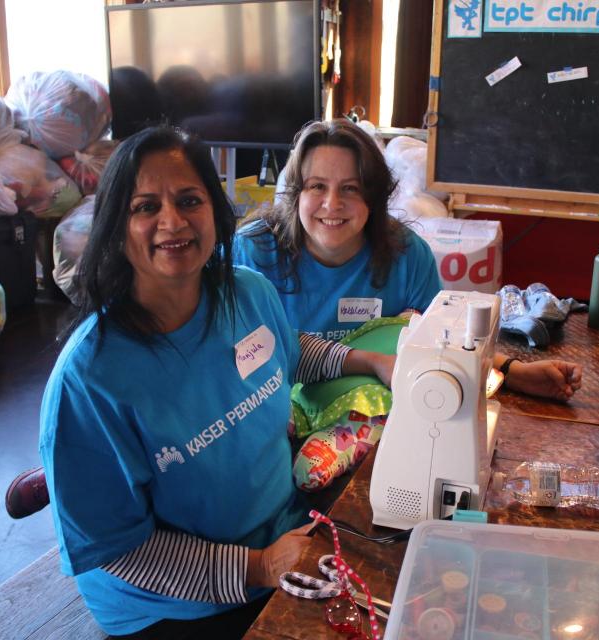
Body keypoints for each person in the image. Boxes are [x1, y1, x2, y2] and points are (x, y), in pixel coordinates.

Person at [33, 125, 393, 638]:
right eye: (144, 207)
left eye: (188, 200)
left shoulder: (247, 293)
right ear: (115, 226)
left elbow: (289, 353)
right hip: (170, 606)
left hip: (285, 538)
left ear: (214, 211)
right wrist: (260, 567)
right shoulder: (89, 380)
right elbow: (120, 549)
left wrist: (370, 362)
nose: (172, 221)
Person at [232, 118, 583, 401]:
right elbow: (240, 357)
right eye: (317, 186)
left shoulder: (407, 255)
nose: (332, 204)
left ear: (374, 197)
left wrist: (512, 371)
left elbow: (441, 341)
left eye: (351, 188)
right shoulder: (251, 253)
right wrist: (371, 362)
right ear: (295, 194)